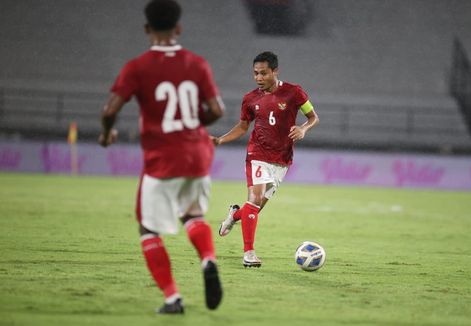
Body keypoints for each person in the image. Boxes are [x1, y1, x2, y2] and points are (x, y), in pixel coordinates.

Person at [98, 0, 225, 314]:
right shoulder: (197, 64)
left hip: (162, 158)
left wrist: (106, 133)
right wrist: (193, 126)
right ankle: (208, 259)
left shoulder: (138, 67)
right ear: (178, 28)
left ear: (146, 29)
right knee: (193, 214)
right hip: (197, 153)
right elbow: (218, 110)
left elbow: (110, 109)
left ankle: (172, 298)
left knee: (148, 229)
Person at [211, 51, 319, 267]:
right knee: (255, 199)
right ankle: (249, 253)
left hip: (282, 159)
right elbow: (243, 126)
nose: (258, 78)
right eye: (255, 74)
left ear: (275, 71)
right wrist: (220, 140)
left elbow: (313, 116)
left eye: (263, 73)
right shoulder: (250, 99)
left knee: (256, 208)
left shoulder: (294, 92)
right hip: (257, 153)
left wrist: (304, 129)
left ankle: (234, 216)